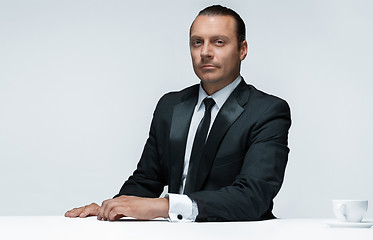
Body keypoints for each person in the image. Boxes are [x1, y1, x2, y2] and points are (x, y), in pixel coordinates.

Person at [65, 5, 291, 222]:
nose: (205, 52)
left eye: (218, 42)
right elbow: (146, 180)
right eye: (197, 42)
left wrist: (166, 206)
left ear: (242, 50)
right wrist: (112, 208)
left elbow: (253, 197)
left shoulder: (267, 111)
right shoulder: (170, 105)